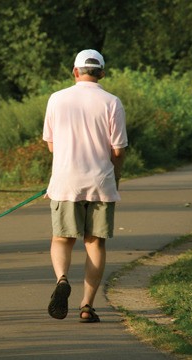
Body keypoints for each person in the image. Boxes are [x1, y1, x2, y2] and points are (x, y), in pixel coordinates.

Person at [42, 49, 128, 323]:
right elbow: (118, 150)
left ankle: (62, 279)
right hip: (100, 181)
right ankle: (87, 306)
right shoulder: (112, 102)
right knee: (94, 243)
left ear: (75, 71)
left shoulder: (57, 99)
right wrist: (117, 175)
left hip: (65, 181)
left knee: (61, 238)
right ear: (102, 72)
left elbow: (51, 145)